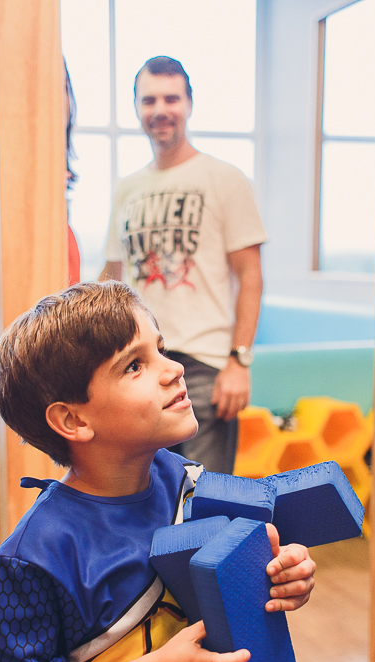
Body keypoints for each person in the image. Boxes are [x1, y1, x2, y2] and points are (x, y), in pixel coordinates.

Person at [0, 281, 317, 662]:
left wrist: (282, 572)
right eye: (133, 365)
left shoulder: (189, 481)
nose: (173, 367)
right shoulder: (30, 559)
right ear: (73, 419)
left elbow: (250, 561)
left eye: (159, 347)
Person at [101, 56, 266, 476]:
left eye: (171, 98)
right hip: (139, 362)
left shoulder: (224, 178)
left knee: (204, 500)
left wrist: (238, 363)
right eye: (149, 99)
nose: (160, 110)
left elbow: (250, 277)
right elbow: (112, 279)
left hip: (207, 366)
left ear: (189, 104)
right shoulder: (127, 189)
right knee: (148, 494)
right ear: (137, 108)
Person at [0, 64, 82, 538]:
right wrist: (11, 216)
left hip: (60, 356)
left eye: (60, 91)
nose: (51, 103)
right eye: (38, 92)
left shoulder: (55, 179)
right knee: (16, 499)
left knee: (67, 489)